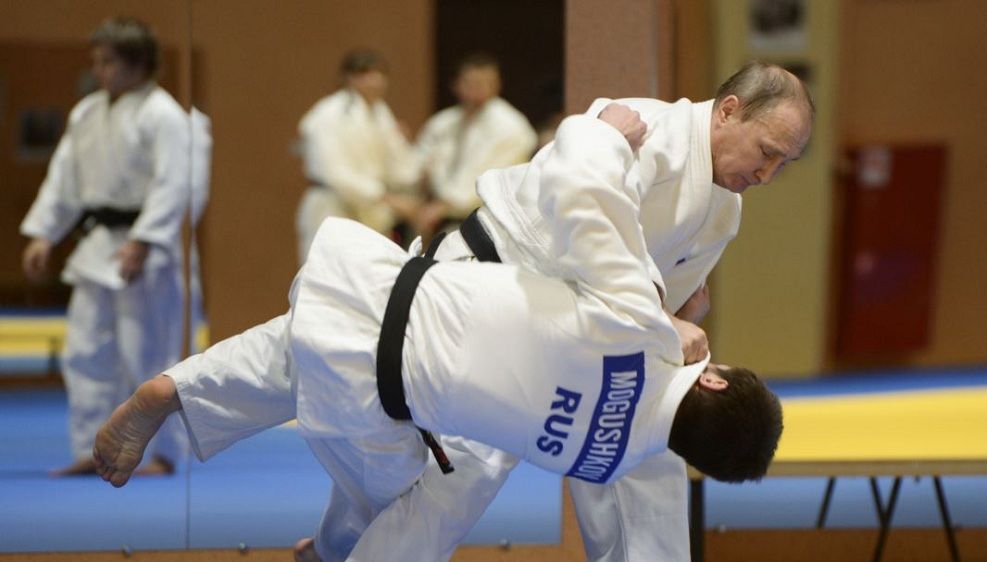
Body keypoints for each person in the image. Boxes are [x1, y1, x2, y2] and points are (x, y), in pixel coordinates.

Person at [117, 61, 812, 560]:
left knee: (339, 363)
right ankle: (328, 538)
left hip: (565, 340)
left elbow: (654, 298)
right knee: (443, 469)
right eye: (767, 153)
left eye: (783, 165)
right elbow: (587, 201)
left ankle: (201, 411)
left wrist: (678, 309)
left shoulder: (724, 210)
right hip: (501, 287)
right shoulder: (647, 129)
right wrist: (660, 313)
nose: (767, 174)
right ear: (728, 111)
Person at [19, 17, 192, 477]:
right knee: (84, 352)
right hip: (96, 247)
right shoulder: (87, 112)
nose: (99, 70)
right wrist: (44, 233)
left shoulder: (164, 114)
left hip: (145, 250)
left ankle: (159, 454)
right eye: (96, 61)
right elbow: (63, 180)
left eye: (108, 62)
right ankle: (92, 449)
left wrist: (144, 239)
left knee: (148, 355)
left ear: (139, 64)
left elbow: (174, 185)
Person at [295, 49, 421, 263]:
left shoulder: (380, 113)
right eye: (364, 74)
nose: (374, 81)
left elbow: (401, 168)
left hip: (371, 211)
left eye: (379, 74)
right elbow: (333, 172)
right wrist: (387, 198)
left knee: (369, 275)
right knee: (328, 272)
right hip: (333, 205)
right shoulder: (329, 113)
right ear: (347, 78)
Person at [412, 53, 537, 239]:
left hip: (488, 220)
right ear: (456, 84)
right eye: (470, 82)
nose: (477, 88)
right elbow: (419, 162)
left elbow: (491, 179)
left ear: (496, 85)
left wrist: (444, 206)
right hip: (438, 212)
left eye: (485, 82)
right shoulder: (444, 122)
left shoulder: (511, 126)